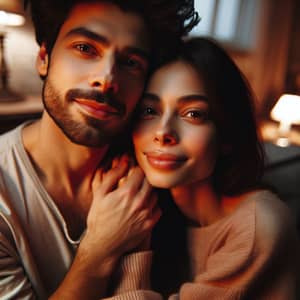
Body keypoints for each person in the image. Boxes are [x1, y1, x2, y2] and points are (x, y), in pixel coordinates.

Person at [0, 1, 199, 299]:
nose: (106, 79)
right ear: (44, 58)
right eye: (85, 48)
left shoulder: (155, 170)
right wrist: (100, 249)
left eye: (131, 63)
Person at [132, 37, 300, 299]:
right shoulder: (157, 210)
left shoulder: (257, 227)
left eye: (193, 114)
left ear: (227, 136)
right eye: (149, 110)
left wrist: (133, 246)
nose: (163, 132)